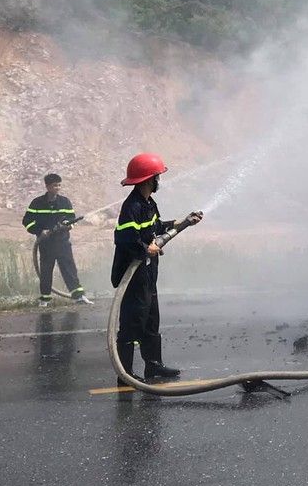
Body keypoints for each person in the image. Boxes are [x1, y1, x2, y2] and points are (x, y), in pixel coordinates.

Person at [112, 152, 203, 380]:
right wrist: (146, 249)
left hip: (148, 273)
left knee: (151, 320)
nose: (158, 181)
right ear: (148, 180)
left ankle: (154, 366)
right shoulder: (131, 206)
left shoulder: (148, 203)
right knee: (132, 325)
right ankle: (126, 375)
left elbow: (156, 227)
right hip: (132, 276)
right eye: (156, 177)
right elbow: (124, 238)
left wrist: (183, 222)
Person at [23, 173, 91, 308]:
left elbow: (71, 218)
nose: (58, 188)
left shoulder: (65, 202)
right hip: (46, 244)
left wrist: (67, 224)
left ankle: (78, 296)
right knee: (46, 271)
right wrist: (39, 231)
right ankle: (45, 299)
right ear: (47, 187)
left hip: (63, 243)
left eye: (59, 185)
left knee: (69, 269)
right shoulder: (37, 203)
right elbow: (27, 221)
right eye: (55, 185)